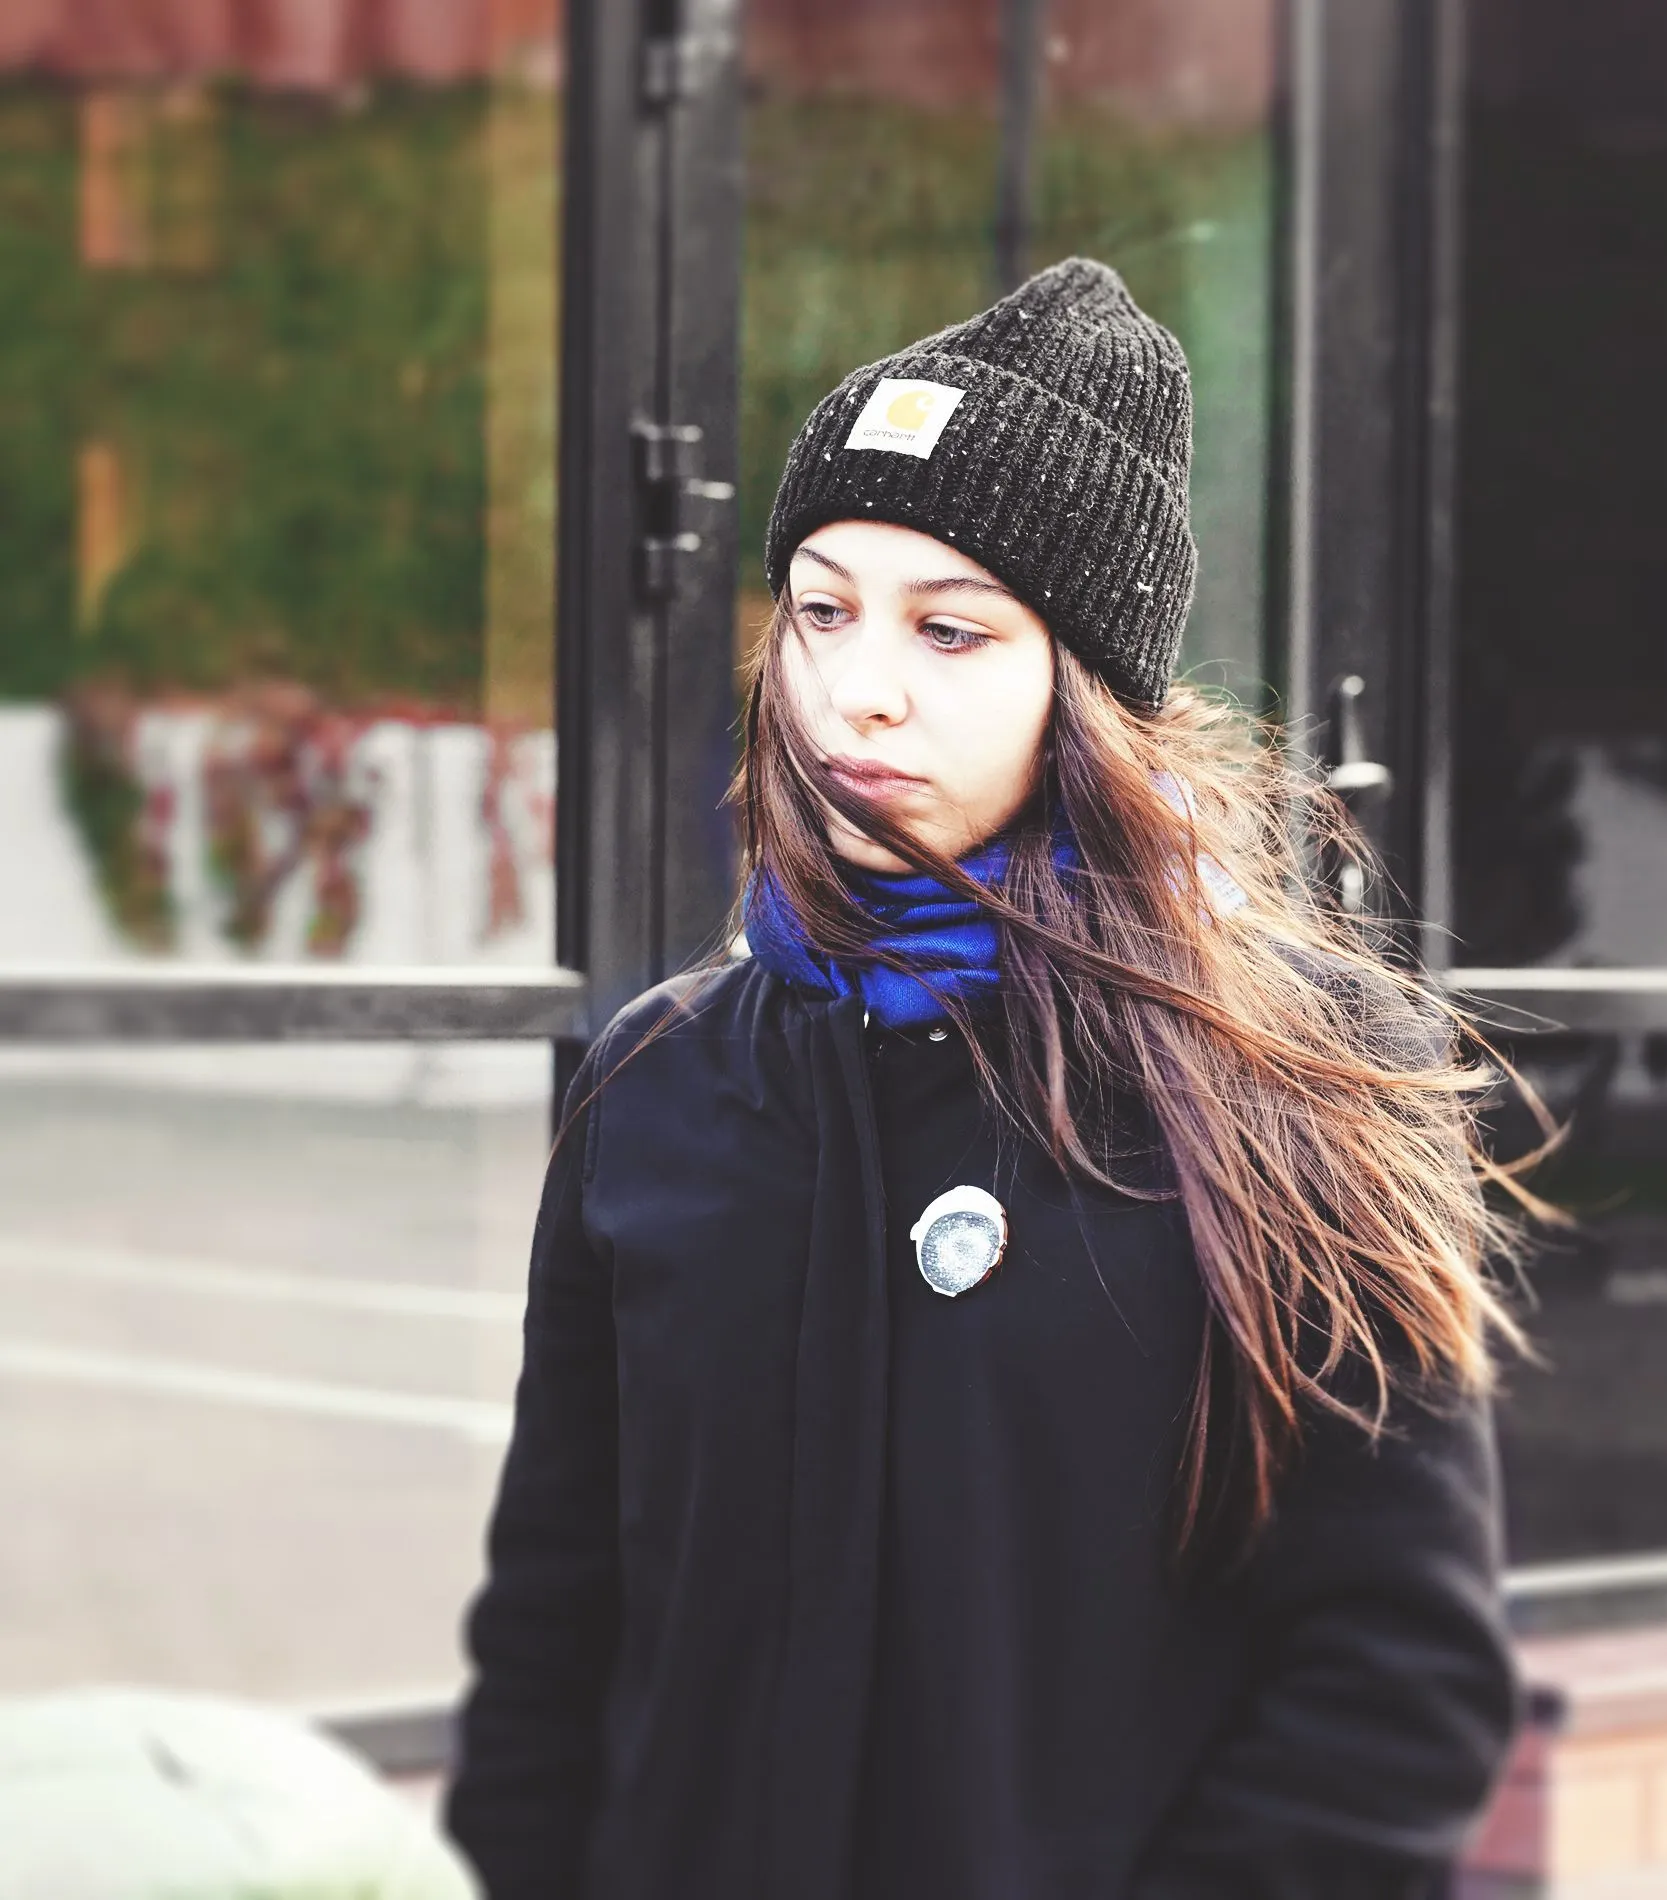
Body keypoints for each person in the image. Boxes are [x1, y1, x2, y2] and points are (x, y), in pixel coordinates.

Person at [445, 259, 1521, 1900]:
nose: (859, 687)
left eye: (949, 629)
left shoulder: (1295, 1074)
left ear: (1082, 682)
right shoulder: (657, 1078)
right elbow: (554, 1630)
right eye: (822, 610)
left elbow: (1394, 1688)